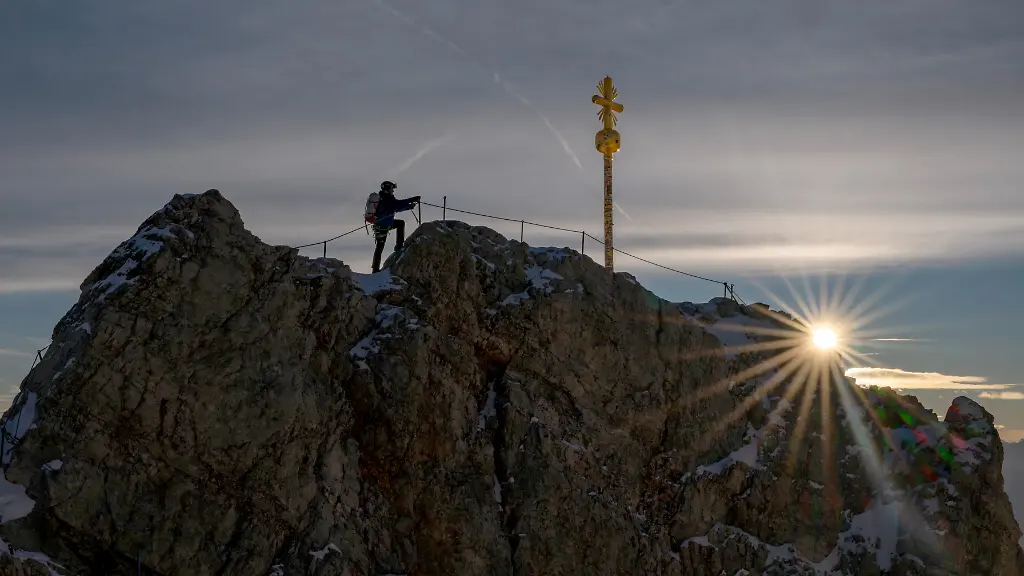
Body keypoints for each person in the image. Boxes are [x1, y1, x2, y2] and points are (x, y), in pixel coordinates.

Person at [371, 181, 420, 273]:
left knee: (380, 247)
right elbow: (397, 205)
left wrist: (409, 205)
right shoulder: (387, 199)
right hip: (384, 226)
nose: (392, 190)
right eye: (392, 188)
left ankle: (375, 268)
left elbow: (396, 207)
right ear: (388, 188)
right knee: (380, 246)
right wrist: (411, 201)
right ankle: (398, 246)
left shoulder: (383, 198)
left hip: (380, 225)